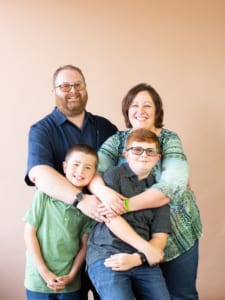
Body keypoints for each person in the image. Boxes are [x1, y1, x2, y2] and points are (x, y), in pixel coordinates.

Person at [90, 83, 203, 300]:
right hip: (134, 236)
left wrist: (122, 206)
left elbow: (170, 186)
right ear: (126, 110)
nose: (140, 110)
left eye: (147, 105)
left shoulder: (169, 139)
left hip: (178, 230)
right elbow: (93, 172)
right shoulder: (117, 141)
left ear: (157, 111)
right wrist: (104, 194)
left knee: (181, 295)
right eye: (134, 105)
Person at [24, 64, 122, 300]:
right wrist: (81, 200)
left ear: (85, 87)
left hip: (106, 236)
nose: (72, 90)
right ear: (53, 91)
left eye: (78, 84)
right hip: (64, 244)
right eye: (64, 85)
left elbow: (126, 169)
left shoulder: (106, 127)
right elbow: (38, 173)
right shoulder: (42, 130)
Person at [87, 129, 171, 300]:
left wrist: (138, 258)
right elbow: (111, 218)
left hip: (141, 259)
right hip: (108, 253)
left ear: (158, 157)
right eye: (137, 149)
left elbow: (160, 237)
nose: (144, 155)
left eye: (150, 151)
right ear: (126, 154)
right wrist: (147, 249)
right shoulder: (114, 175)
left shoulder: (159, 190)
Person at [23, 144, 98, 300]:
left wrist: (71, 275)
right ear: (64, 167)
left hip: (69, 282)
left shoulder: (89, 205)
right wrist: (44, 272)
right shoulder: (44, 194)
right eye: (76, 165)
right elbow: (29, 232)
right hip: (38, 279)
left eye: (87, 167)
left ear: (94, 173)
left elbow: (84, 246)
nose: (80, 171)